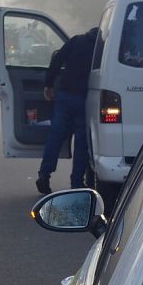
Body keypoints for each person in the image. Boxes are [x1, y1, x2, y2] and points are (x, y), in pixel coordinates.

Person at [37, 27, 99, 195]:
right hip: (86, 99)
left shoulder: (77, 40)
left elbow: (57, 60)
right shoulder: (102, 47)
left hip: (65, 96)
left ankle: (44, 174)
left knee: (55, 137)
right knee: (81, 143)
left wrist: (49, 84)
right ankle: (77, 182)